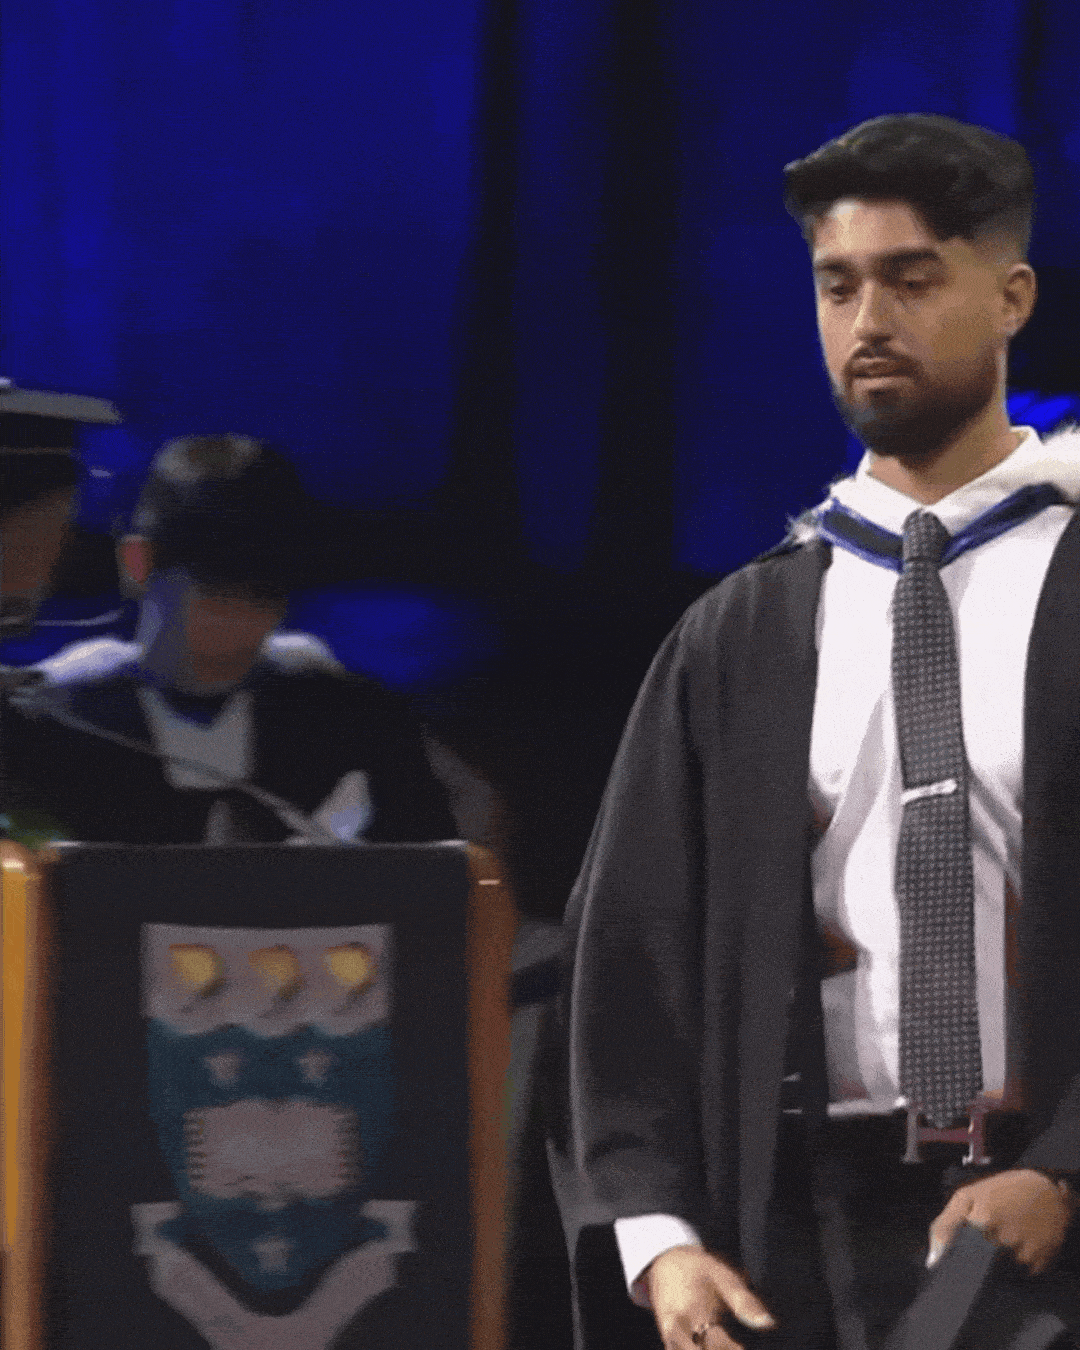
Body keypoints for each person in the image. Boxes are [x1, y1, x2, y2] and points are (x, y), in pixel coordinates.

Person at [553, 114, 1080, 1350]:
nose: (868, 322)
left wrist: (1063, 1170)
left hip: (1044, 1215)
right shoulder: (743, 633)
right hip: (797, 1224)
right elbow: (628, 952)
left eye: (912, 279)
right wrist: (658, 1234)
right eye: (837, 286)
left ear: (1011, 298)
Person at [5, 433, 459, 845]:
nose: (240, 626)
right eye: (217, 597)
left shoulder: (348, 717)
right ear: (139, 563)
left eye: (263, 597)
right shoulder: (55, 714)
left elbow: (434, 879)